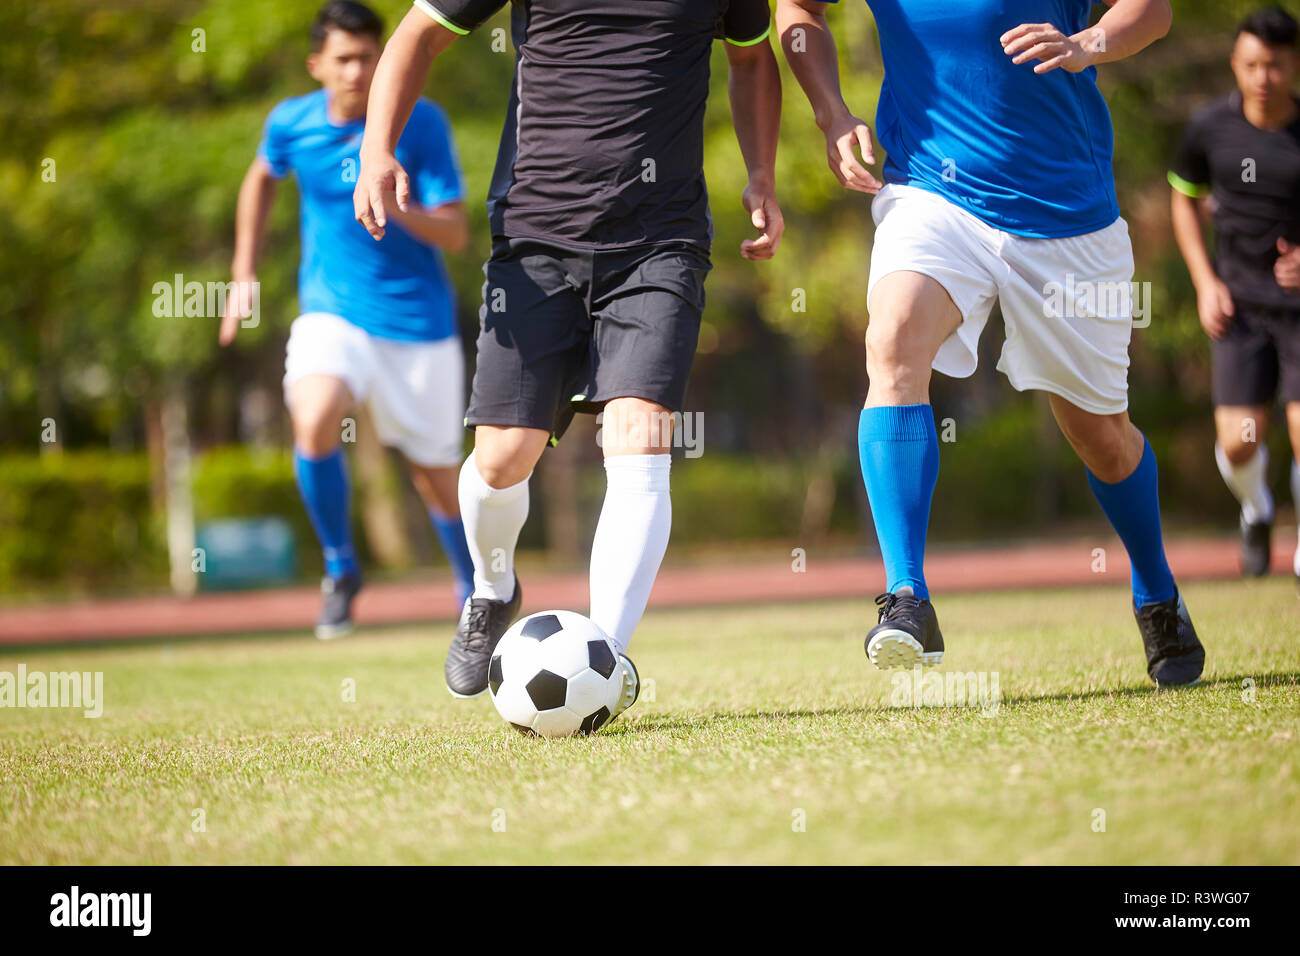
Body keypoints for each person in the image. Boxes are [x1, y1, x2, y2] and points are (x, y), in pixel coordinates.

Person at [354, 0, 784, 719]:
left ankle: (606, 659)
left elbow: (751, 58)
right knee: (501, 459)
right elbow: (416, 35)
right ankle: (492, 590)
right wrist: (377, 148)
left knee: (640, 433)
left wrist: (761, 173)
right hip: (534, 238)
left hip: (661, 241)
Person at [776, 0, 1205, 685]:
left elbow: (1153, 11)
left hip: (1068, 213)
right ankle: (907, 597)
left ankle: (1156, 591)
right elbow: (797, 9)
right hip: (931, 194)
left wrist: (1089, 41)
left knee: (1101, 435)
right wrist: (831, 111)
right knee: (891, 343)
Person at [220, 1, 476, 639]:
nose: (358, 70)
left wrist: (399, 204)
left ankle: (475, 589)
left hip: (419, 324)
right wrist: (243, 272)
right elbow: (260, 178)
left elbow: (457, 233)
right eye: (344, 58)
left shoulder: (421, 124)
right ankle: (341, 566)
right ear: (318, 66)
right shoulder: (291, 123)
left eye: (369, 56)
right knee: (313, 415)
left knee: (436, 480)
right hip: (332, 312)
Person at [1170, 4, 1300, 583]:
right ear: (1234, 64)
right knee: (1241, 442)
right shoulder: (1208, 129)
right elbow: (1182, 195)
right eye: (1251, 65)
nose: (1262, 78)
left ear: (1293, 65)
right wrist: (1204, 282)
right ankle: (1257, 508)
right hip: (1240, 311)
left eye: (1274, 65)